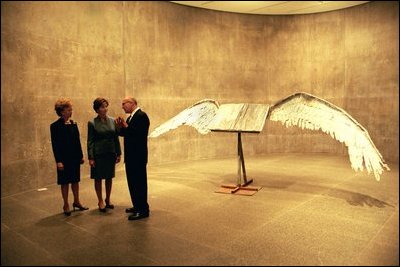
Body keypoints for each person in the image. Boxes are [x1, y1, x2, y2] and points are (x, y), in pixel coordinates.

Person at [50, 98, 89, 216]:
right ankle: (66, 204)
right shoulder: (55, 126)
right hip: (63, 159)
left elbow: (77, 141)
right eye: (68, 109)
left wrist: (81, 156)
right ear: (62, 111)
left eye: (71, 109)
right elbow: (55, 145)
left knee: (75, 180)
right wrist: (59, 161)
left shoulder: (73, 124)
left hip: (74, 158)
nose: (71, 111)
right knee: (65, 182)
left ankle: (76, 201)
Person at [115, 97, 150, 220]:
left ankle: (143, 210)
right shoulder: (130, 117)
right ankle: (137, 205)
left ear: (132, 103)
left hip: (138, 157)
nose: (122, 106)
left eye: (124, 104)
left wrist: (126, 126)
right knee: (132, 182)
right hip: (131, 156)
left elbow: (140, 135)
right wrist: (119, 127)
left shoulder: (141, 116)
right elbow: (127, 134)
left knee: (139, 183)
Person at [87, 97, 121, 212]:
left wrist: (118, 153)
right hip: (98, 154)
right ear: (97, 109)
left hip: (110, 153)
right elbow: (90, 141)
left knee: (109, 177)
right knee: (98, 178)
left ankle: (108, 199)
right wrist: (91, 157)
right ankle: (100, 200)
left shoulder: (112, 121)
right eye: (102, 107)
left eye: (106, 106)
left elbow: (116, 137)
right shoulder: (92, 123)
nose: (105, 109)